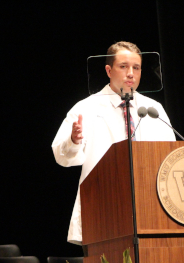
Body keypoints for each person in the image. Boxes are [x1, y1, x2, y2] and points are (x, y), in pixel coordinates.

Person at [52, 41, 176, 245]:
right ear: (109, 70)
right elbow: (61, 156)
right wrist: (73, 140)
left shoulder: (154, 109)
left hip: (151, 209)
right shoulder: (86, 108)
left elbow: (170, 155)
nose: (130, 74)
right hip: (103, 210)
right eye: (123, 66)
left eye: (136, 68)